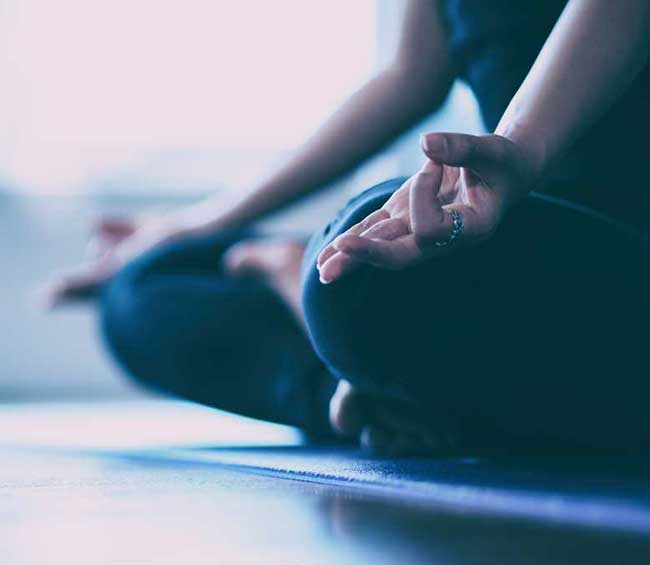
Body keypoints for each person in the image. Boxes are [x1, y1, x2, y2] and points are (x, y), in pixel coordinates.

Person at [45, 0, 650, 454]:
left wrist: (518, 148)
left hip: (620, 268)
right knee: (139, 289)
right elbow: (409, 75)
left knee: (357, 277)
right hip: (502, 265)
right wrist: (194, 223)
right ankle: (366, 400)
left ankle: (373, 375)